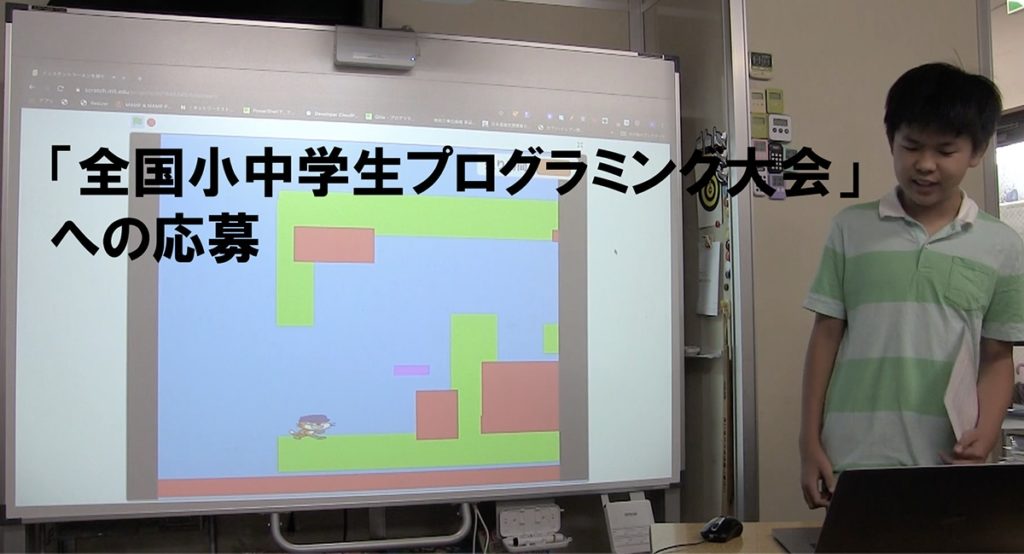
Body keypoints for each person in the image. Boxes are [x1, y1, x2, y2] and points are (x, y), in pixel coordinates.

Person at [799, 62, 1024, 509]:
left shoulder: (1001, 244)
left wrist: (987, 431)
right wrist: (808, 441)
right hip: (853, 456)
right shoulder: (851, 228)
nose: (925, 164)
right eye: (912, 146)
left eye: (945, 150)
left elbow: (997, 356)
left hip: (949, 459)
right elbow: (825, 337)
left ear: (977, 151)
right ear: (892, 142)